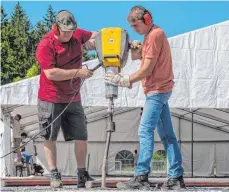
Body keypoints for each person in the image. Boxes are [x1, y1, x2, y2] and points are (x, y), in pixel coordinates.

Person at [105, 5, 185, 190]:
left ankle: (141, 176)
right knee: (167, 136)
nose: (134, 29)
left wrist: (124, 79)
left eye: (136, 25)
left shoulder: (155, 36)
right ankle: (176, 177)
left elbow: (147, 69)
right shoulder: (150, 36)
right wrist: (136, 46)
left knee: (144, 131)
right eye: (132, 27)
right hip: (160, 90)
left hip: (157, 91)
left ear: (147, 20)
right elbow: (136, 57)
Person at [36, 10, 96, 188]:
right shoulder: (45, 45)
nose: (69, 35)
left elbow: (98, 35)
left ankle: (81, 174)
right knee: (49, 136)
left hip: (73, 96)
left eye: (72, 31)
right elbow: (51, 73)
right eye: (65, 32)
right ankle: (54, 174)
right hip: (50, 97)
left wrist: (123, 40)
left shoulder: (77, 34)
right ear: (56, 28)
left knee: (81, 135)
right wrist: (78, 72)